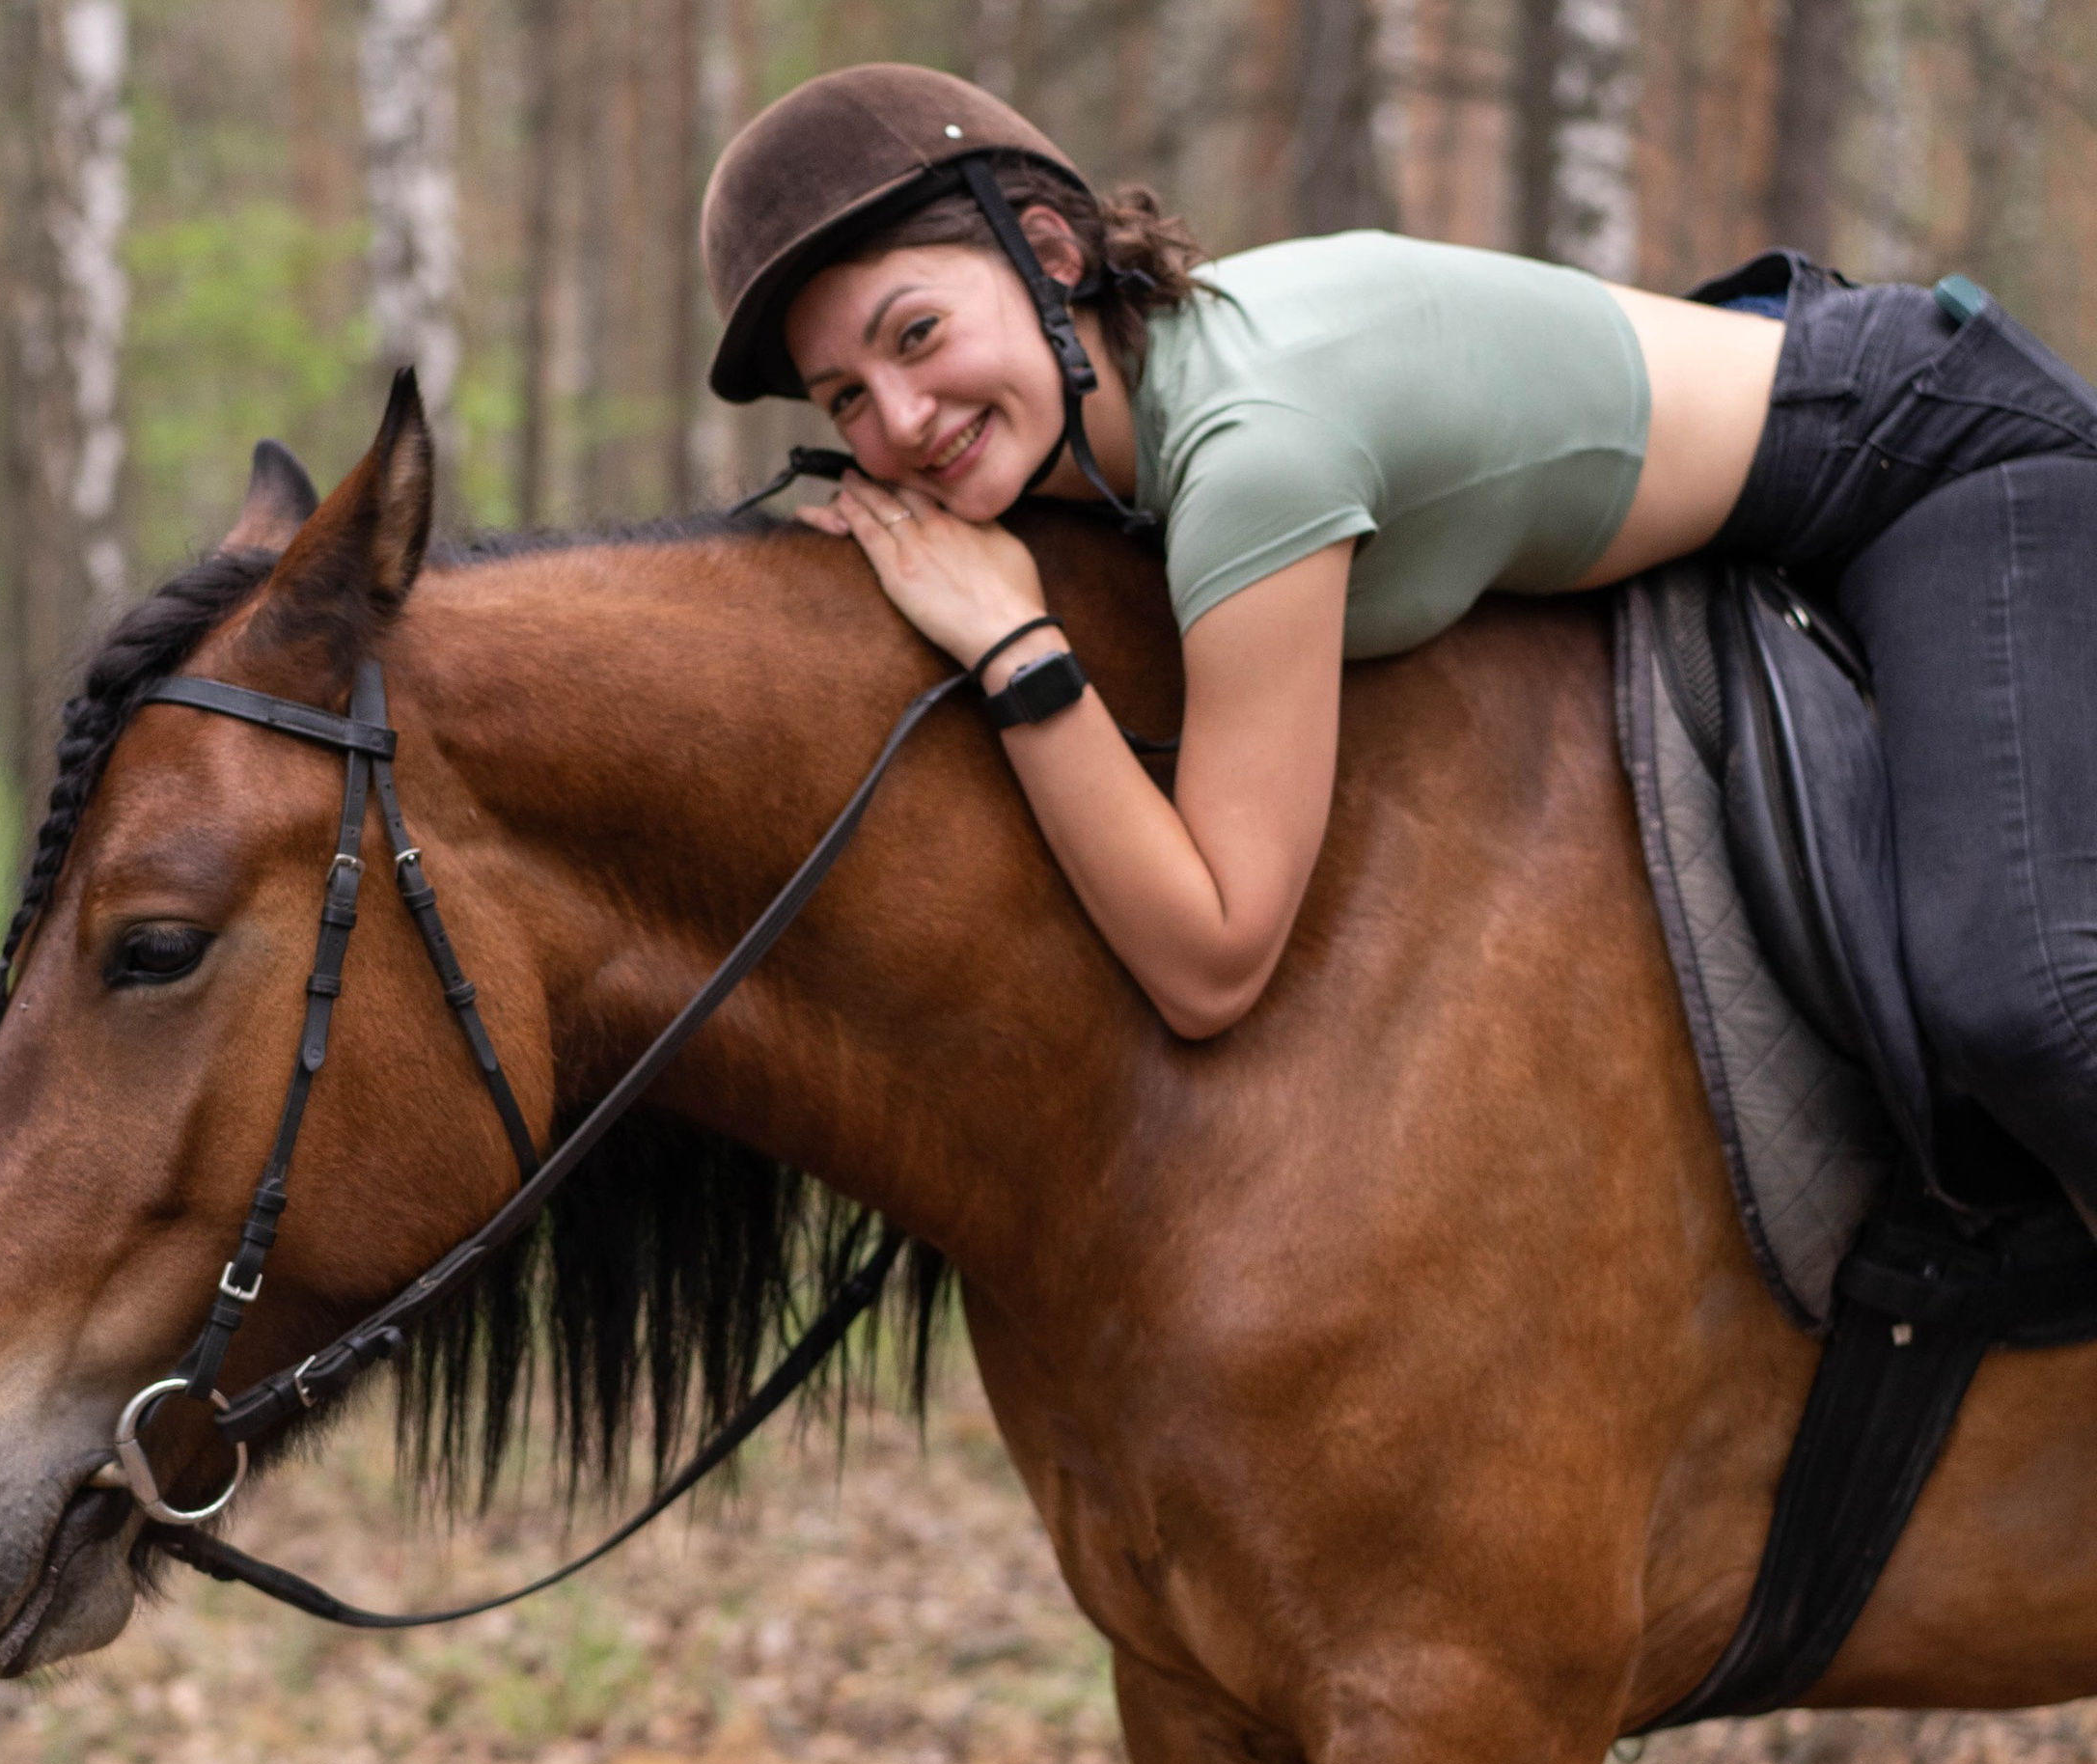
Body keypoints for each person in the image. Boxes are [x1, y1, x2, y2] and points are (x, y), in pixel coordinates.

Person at [699, 64, 2097, 1212]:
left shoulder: (1256, 453)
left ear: (1050, 253)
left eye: (919, 333)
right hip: (1790, 422)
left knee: (2022, 1002)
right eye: (845, 400)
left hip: (1928, 450)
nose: (900, 420)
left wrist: (1016, 651)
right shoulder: (1129, 421)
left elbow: (1213, 960)